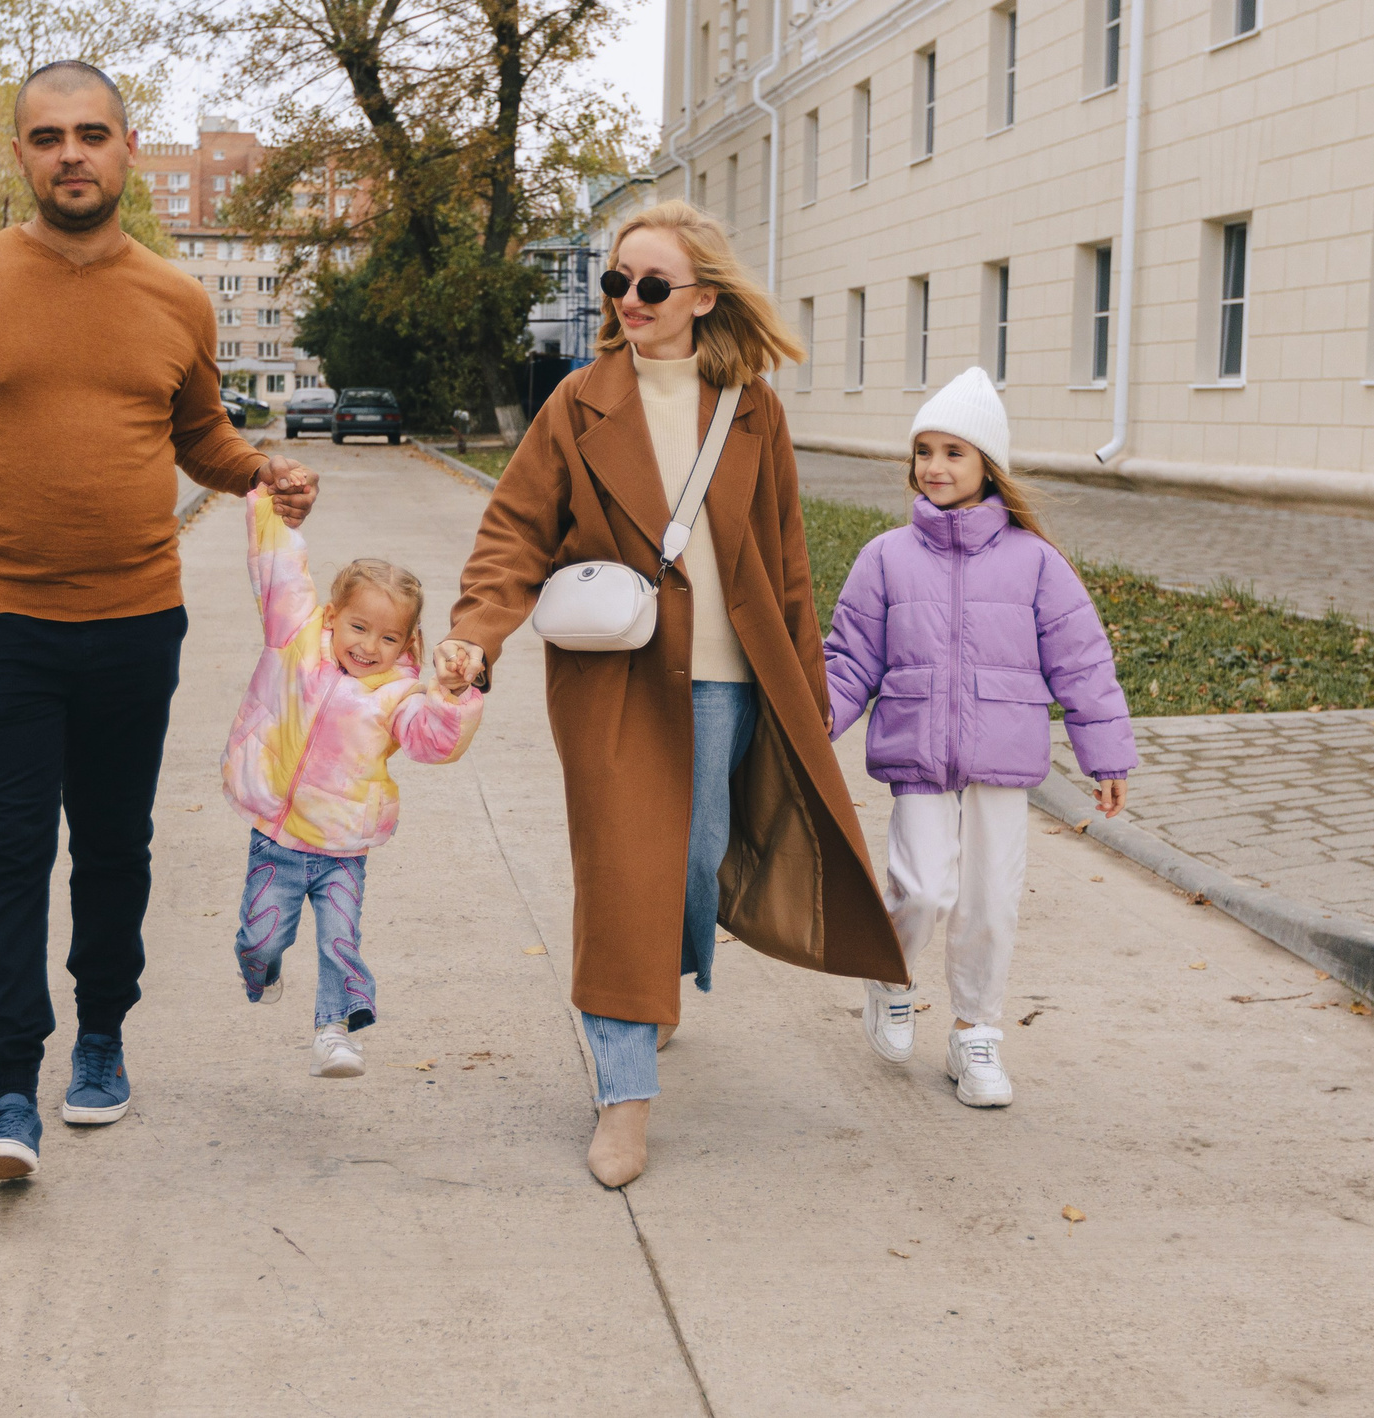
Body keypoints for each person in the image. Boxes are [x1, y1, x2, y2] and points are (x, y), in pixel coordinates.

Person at [0, 60, 318, 1184]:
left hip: (136, 622)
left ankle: (101, 1035)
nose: (71, 153)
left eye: (92, 133)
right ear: (20, 156)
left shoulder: (177, 299)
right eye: (48, 137)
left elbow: (198, 432)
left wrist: (260, 472)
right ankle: (5, 1086)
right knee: (7, 852)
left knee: (114, 846)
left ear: (127, 148)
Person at [435, 199, 906, 1189]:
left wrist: (809, 687)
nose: (630, 298)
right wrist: (474, 633)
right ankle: (624, 1092)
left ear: (702, 297)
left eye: (652, 284)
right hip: (615, 680)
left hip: (730, 682)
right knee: (623, 877)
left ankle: (657, 973)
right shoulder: (577, 403)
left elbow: (785, 558)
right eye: (618, 281)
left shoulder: (752, 407)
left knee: (693, 859)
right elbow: (514, 530)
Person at [822, 366, 1135, 1108]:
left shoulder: (1035, 562)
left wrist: (1107, 756)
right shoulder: (885, 557)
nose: (934, 466)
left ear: (987, 464)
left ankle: (975, 1034)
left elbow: (1082, 663)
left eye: (953, 452)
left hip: (1003, 757)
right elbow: (850, 659)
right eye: (924, 451)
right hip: (917, 754)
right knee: (923, 888)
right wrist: (812, 726)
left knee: (990, 903)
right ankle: (891, 976)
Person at [224, 489, 482, 1078]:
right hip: (276, 839)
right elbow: (280, 573)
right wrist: (271, 502)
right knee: (261, 942)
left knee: (340, 942)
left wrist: (452, 695)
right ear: (333, 616)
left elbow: (432, 742)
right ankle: (259, 970)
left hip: (342, 848)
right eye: (359, 627)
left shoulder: (399, 694)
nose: (369, 647)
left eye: (388, 638)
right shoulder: (295, 642)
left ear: (408, 644)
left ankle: (335, 1032)